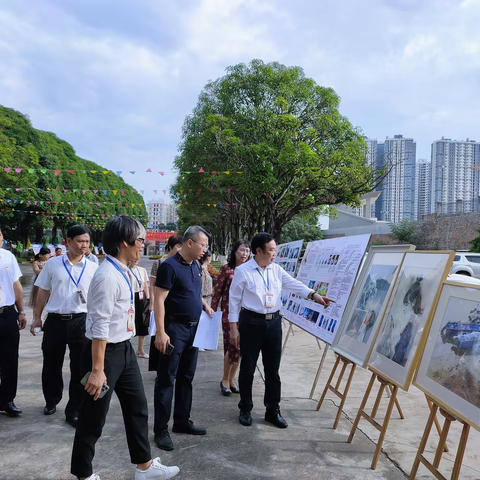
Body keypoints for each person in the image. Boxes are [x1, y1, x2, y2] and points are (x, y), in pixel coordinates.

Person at [71, 215, 179, 480]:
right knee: (93, 418)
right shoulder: (107, 276)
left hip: (124, 350)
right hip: (103, 354)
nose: (142, 245)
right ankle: (84, 474)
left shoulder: (126, 270)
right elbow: (99, 326)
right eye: (140, 240)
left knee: (137, 408)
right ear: (124, 243)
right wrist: (97, 370)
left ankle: (144, 466)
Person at [229, 232, 334, 428]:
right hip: (251, 323)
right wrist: (233, 328)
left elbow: (294, 284)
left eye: (275, 250)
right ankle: (245, 408)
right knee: (248, 369)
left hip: (274, 323)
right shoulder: (243, 271)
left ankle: (272, 410)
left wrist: (314, 295)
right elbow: (233, 301)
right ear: (258, 251)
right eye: (271, 250)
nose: (274, 254)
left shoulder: (276, 270)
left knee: (272, 370)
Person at [153, 226, 214, 451]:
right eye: (203, 244)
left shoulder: (196, 265)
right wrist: (161, 332)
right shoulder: (169, 267)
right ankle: (161, 430)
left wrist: (205, 305)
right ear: (190, 243)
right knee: (166, 379)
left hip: (194, 329)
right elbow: (159, 300)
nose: (205, 249)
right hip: (174, 330)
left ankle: (181, 421)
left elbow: (193, 293)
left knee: (186, 377)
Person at [31, 225, 98, 427]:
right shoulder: (53, 264)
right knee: (51, 363)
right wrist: (37, 317)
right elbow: (42, 292)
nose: (84, 245)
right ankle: (51, 400)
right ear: (68, 242)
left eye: (87, 241)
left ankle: (74, 410)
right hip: (56, 321)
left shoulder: (93, 267)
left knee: (80, 367)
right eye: (80, 241)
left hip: (81, 321)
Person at [211, 239, 250, 396]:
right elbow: (217, 291)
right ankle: (225, 379)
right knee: (232, 345)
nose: (244, 254)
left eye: (247, 251)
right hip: (228, 313)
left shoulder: (250, 270)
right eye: (241, 250)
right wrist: (212, 310)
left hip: (246, 313)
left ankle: (232, 379)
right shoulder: (227, 269)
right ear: (235, 251)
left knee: (241, 348)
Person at [0, 226, 27, 416]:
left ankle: (7, 400)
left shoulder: (8, 256)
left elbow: (16, 285)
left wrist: (21, 311)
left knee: (10, 359)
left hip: (7, 313)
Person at [148, 235, 183, 372]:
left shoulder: (182, 263)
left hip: (174, 304)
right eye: (177, 246)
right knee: (160, 332)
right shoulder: (160, 262)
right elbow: (152, 284)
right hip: (161, 302)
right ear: (170, 247)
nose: (180, 249)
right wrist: (152, 302)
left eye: (181, 246)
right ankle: (159, 366)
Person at [129, 258, 150, 358]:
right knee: (130, 323)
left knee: (143, 324)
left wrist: (149, 300)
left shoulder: (142, 270)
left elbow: (145, 286)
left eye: (137, 257)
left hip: (141, 299)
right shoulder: (126, 270)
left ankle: (140, 349)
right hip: (131, 299)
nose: (136, 259)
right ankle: (128, 351)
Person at [29, 246, 51, 320]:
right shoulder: (36, 263)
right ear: (41, 255)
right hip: (38, 284)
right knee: (36, 302)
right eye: (46, 255)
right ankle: (35, 318)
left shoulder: (50, 262)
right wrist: (47, 271)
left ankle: (48, 317)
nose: (48, 256)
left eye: (49, 254)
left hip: (49, 283)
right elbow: (37, 272)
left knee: (50, 301)